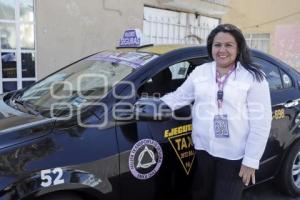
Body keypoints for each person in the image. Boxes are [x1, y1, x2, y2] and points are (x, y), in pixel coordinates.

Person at [160, 23, 272, 200]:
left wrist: (251, 161)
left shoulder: (253, 77)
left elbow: (262, 123)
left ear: (238, 48)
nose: (222, 50)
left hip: (234, 156)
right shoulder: (201, 72)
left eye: (228, 45)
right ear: (211, 47)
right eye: (217, 45)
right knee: (201, 195)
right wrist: (155, 105)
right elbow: (180, 96)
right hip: (204, 150)